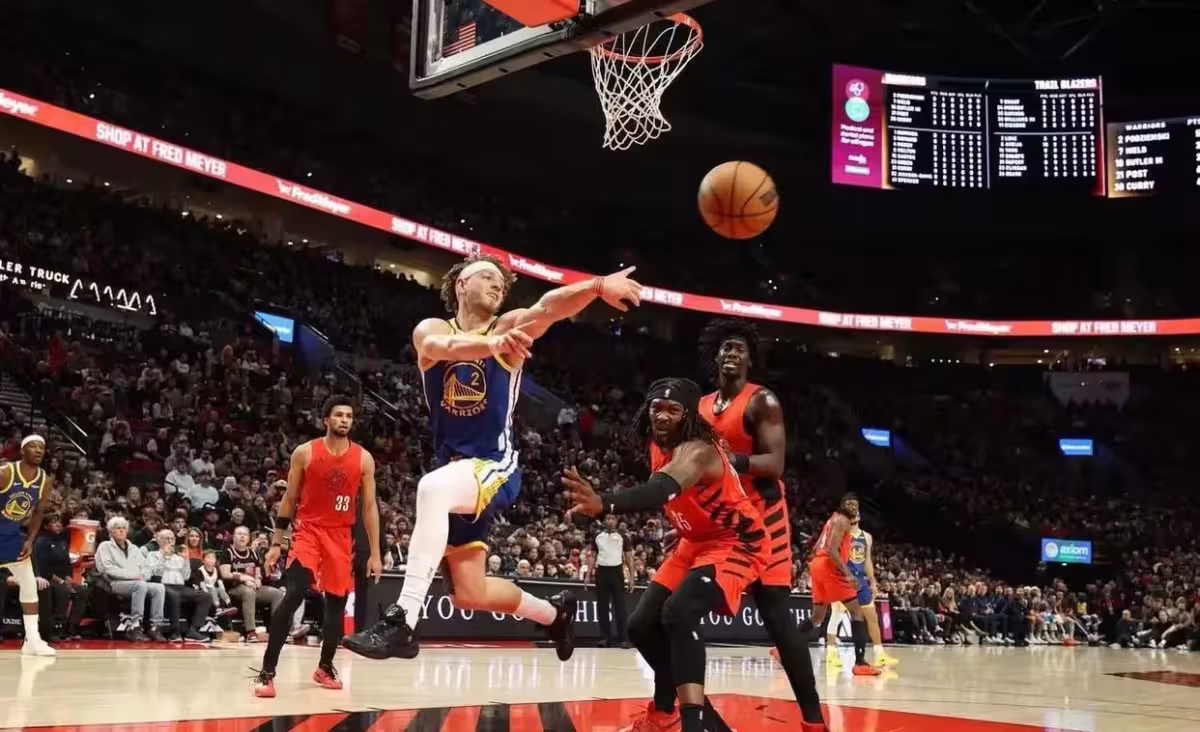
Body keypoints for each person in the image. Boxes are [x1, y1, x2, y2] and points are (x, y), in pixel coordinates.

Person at [343, 255, 642, 661]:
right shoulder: (433, 329)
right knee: (470, 592)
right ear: (460, 285)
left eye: (501, 282)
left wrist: (596, 286)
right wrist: (490, 346)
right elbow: (439, 348)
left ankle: (402, 623)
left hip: (495, 464)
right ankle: (554, 614)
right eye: (486, 276)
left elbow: (548, 308)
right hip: (456, 473)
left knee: (431, 489)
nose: (497, 285)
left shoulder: (508, 328)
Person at [563, 377, 762, 732]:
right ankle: (666, 713)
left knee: (678, 614)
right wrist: (684, 524)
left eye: (674, 410)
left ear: (689, 416)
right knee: (640, 626)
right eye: (657, 407)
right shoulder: (657, 442)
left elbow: (661, 489)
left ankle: (693, 724)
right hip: (694, 540)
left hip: (737, 540)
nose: (663, 416)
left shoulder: (699, 449)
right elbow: (686, 496)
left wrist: (603, 502)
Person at [696, 319, 825, 727]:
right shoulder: (701, 406)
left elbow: (775, 463)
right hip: (722, 520)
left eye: (740, 349)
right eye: (726, 348)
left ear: (750, 361)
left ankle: (813, 718)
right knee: (677, 612)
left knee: (779, 624)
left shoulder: (762, 400)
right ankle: (693, 714)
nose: (732, 353)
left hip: (763, 518)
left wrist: (727, 461)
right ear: (716, 357)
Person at [253, 396, 383, 697]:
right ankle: (267, 672)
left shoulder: (363, 459)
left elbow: (369, 508)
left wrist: (375, 553)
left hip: (340, 536)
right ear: (326, 420)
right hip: (308, 531)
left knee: (336, 604)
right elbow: (290, 498)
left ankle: (325, 667)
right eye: (338, 415)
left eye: (349, 416)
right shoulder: (305, 452)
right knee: (294, 594)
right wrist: (276, 542)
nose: (344, 420)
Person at [807, 494, 880, 677]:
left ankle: (783, 647)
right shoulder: (843, 521)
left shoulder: (832, 519)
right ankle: (860, 663)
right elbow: (832, 550)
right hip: (829, 567)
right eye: (849, 504)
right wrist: (848, 573)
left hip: (817, 565)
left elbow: (817, 546)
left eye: (856, 505)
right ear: (842, 505)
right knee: (857, 613)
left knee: (817, 617)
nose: (853, 508)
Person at [0, 435, 56, 656]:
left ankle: (32, 640)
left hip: (12, 536)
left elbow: (38, 513)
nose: (38, 450)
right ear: (22, 451)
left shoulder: (44, 480)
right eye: (33, 446)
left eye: (41, 447)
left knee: (29, 584)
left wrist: (30, 540)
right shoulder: (5, 473)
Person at [848, 515, 897, 666]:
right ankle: (831, 652)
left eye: (856, 512)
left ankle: (879, 654)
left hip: (861, 580)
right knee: (834, 618)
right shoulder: (842, 533)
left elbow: (867, 561)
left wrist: (873, 582)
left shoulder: (867, 537)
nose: (854, 515)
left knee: (872, 617)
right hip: (845, 579)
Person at [590, 513, 634, 648]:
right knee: (602, 606)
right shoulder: (597, 536)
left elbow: (629, 558)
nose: (610, 521)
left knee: (620, 606)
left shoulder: (623, 537)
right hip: (601, 572)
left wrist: (632, 577)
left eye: (612, 519)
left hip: (616, 572)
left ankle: (623, 639)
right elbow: (593, 556)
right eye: (607, 518)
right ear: (604, 521)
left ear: (616, 521)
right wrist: (588, 574)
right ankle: (605, 638)